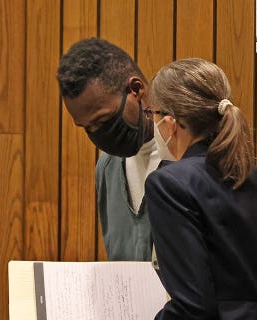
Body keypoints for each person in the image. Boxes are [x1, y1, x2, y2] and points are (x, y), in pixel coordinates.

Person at [145, 58, 257, 319]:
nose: (152, 123)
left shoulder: (170, 183)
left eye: (152, 114)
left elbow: (193, 307)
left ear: (172, 123)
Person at [57, 38, 159, 261]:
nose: (98, 133)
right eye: (87, 128)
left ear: (136, 90)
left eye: (103, 120)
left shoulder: (188, 157)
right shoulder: (107, 168)